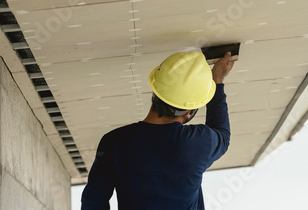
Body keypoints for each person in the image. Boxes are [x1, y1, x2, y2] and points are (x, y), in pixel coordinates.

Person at [81, 51, 235, 210]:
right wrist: (216, 80)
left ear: (156, 93)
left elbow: (93, 200)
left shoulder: (114, 142)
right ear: (189, 112)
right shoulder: (199, 143)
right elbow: (222, 134)